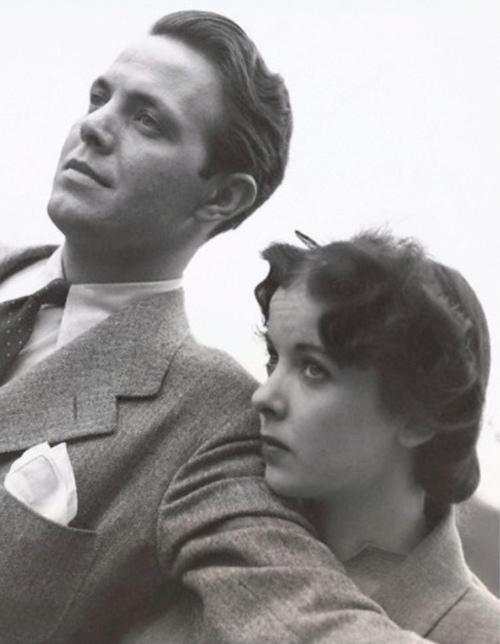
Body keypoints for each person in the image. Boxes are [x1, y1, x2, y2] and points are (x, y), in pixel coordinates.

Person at [0, 10, 432, 644]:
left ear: (223, 197)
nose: (93, 126)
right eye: (100, 97)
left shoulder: (207, 419)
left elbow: (298, 606)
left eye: (148, 120)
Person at [252, 229, 500, 644]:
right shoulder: (226, 537)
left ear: (419, 417)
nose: (263, 397)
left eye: (314, 369)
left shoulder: (480, 634)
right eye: (274, 357)